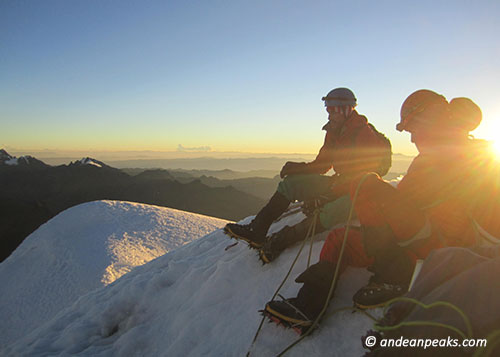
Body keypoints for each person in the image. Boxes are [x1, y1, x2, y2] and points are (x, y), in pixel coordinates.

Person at [264, 89, 500, 328]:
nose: (412, 139)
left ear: (431, 121)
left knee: (365, 183)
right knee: (339, 238)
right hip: (410, 241)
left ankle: (392, 276)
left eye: (413, 129)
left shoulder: (472, 160)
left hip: (437, 244)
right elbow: (403, 200)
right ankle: (307, 306)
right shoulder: (440, 159)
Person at [224, 87, 392, 263]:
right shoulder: (334, 131)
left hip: (362, 191)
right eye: (328, 110)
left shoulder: (364, 135)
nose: (329, 114)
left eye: (332, 110)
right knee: (290, 185)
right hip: (340, 183)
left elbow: (364, 176)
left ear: (346, 109)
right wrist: (297, 170)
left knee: (329, 212)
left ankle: (282, 240)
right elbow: (322, 165)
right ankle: (257, 230)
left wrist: (331, 194)